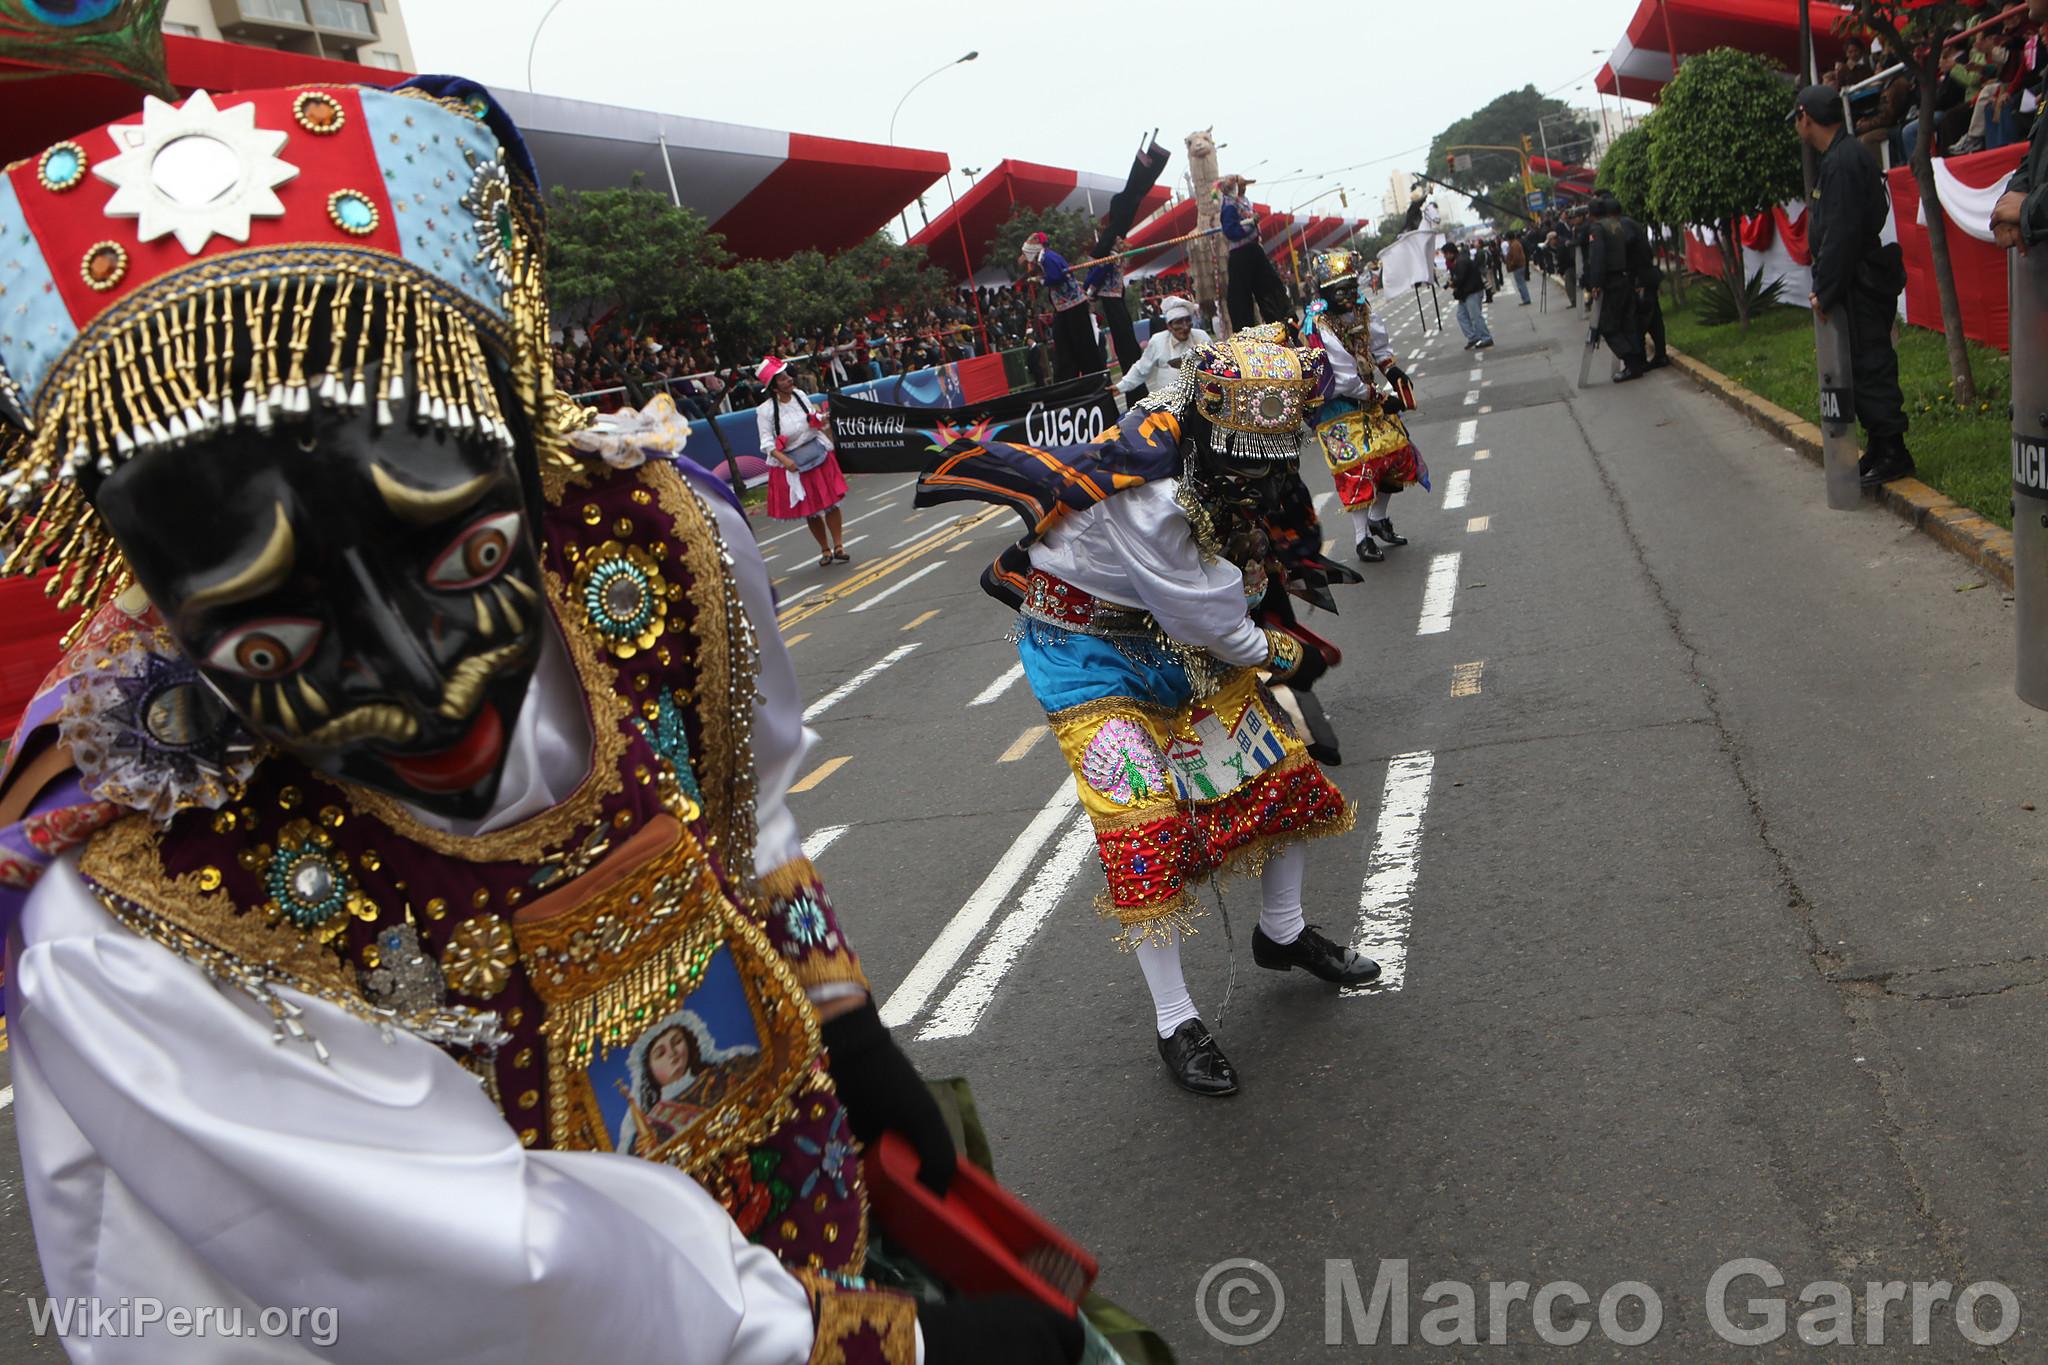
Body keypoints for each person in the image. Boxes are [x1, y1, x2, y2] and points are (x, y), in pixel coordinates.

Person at [0, 76, 1082, 1365]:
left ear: (524, 452)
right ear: (167, 612)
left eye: (463, 562)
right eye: (275, 640)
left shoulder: (656, 551)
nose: (425, 685)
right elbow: (479, 1286)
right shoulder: (143, 895)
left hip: (815, 1212)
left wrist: (841, 1016)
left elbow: (751, 809)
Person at [917, 327, 1380, 1096]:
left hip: (1168, 631)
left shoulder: (1201, 406)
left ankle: (1284, 932)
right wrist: (1280, 654)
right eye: (1244, 467)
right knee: (1146, 826)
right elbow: (1212, 621)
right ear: (1211, 436)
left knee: (1283, 780)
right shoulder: (1154, 499)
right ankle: (1176, 1020)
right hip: (1086, 651)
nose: (1254, 482)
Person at [1795, 82, 1913, 485]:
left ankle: (1894, 451)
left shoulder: (1843, 162)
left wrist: (1824, 289)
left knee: (1869, 363)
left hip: (1858, 279)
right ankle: (1881, 447)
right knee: (1860, 365)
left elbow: (1841, 235)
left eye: (1797, 118)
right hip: (1856, 276)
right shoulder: (1843, 157)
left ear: (1806, 117)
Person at [1301, 251, 1429, 563]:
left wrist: (1392, 371)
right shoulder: (1321, 323)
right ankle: (1362, 539)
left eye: (1349, 288)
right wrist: (1383, 398)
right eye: (1338, 291)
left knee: (1398, 454)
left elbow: (1379, 348)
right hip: (1336, 404)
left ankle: (1378, 519)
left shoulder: (1363, 311)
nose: (1345, 296)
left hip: (1367, 395)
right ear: (1325, 294)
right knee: (1357, 467)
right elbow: (1344, 379)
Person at [756, 356, 851, 566]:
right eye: (782, 379)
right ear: (774, 387)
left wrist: (820, 419)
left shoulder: (800, 395)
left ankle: (839, 545)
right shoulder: (765, 411)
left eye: (788, 376)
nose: (789, 380)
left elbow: (812, 419)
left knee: (831, 503)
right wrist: (785, 460)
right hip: (795, 464)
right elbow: (766, 443)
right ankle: (825, 549)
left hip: (817, 455)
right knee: (811, 510)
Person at [1019, 232, 1105, 381]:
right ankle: (1069, 378)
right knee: (1064, 344)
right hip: (1064, 307)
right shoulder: (1046, 258)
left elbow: (1056, 277)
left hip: (1072, 306)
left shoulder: (1048, 258)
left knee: (1080, 344)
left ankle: (1093, 377)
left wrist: (1039, 280)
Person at [1217, 174, 1293, 328]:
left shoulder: (1244, 202)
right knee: (1241, 296)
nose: (1244, 188)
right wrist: (1251, 223)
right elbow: (1231, 232)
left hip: (1254, 249)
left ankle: (1284, 322)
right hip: (1240, 253)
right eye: (1241, 185)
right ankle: (1245, 332)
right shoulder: (1229, 206)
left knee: (1271, 288)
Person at [1586, 195, 1648, 381]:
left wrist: (1595, 283)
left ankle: (1630, 362)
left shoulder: (1597, 228)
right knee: (1628, 323)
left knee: (1609, 326)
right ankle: (1637, 362)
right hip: (1625, 278)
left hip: (1611, 282)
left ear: (1591, 214)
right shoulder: (1616, 225)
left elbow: (1598, 256)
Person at [1116, 295, 1211, 405]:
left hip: (1201, 401)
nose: (1185, 328)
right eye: (1179, 323)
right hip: (1168, 404)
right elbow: (1141, 369)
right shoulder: (1158, 341)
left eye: (1187, 321)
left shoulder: (1201, 337)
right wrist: (1120, 387)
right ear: (1169, 326)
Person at [1443, 243, 1494, 349]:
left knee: (1475, 316)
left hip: (1472, 291)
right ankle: (1473, 337)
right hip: (1465, 293)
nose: (1445, 257)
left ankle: (1486, 337)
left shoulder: (1461, 261)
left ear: (1450, 253)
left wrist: (1453, 283)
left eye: (1445, 254)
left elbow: (1461, 278)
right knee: (1461, 315)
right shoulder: (1459, 260)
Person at [1505, 229, 1532, 304]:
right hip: (1519, 266)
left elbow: (1516, 257)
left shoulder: (1514, 245)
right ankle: (1525, 298)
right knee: (1521, 283)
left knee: (1521, 284)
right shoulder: (1515, 243)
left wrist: (1511, 264)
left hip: (1518, 267)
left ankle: (1526, 299)